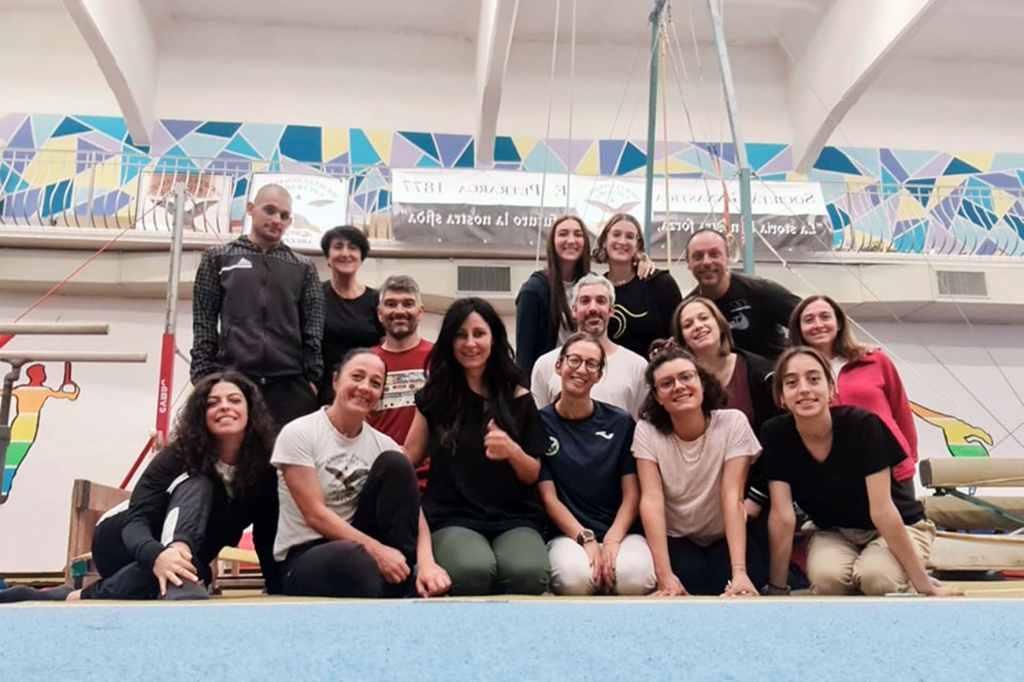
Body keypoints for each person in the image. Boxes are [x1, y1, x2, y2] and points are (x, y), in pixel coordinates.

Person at [1, 372, 280, 603]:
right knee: (199, 483)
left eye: (235, 400)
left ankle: (70, 596)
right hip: (123, 538)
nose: (225, 407)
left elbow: (266, 532)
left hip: (186, 557)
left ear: (250, 411)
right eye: (212, 403)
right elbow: (137, 520)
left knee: (195, 572)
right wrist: (157, 555)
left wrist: (276, 585)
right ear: (200, 414)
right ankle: (174, 557)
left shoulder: (264, 471)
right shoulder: (178, 457)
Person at [760, 347, 963, 597]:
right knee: (828, 583)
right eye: (791, 383)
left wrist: (925, 587)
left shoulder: (864, 426)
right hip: (834, 532)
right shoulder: (775, 434)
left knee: (876, 579)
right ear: (780, 396)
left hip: (898, 525)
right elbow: (782, 516)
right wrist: (778, 588)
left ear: (831, 389)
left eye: (813, 379)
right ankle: (885, 571)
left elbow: (882, 511)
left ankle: (909, 575)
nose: (803, 389)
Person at [272, 348, 450, 599]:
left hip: (365, 548)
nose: (365, 387)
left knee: (397, 463)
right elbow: (314, 515)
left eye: (375, 383)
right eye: (357, 377)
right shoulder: (299, 433)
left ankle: (405, 574)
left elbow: (415, 514)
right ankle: (400, 588)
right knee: (354, 560)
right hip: (309, 554)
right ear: (336, 381)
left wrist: (427, 563)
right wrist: (378, 552)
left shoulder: (383, 443)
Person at [405, 298, 551, 596]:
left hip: (514, 518)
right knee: (471, 571)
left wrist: (511, 451)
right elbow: (409, 458)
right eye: (461, 335)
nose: (470, 343)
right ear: (449, 341)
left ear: (494, 338)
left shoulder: (519, 395)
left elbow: (532, 473)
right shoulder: (433, 397)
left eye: (479, 334)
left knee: (528, 574)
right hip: (452, 516)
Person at [633, 341, 764, 597]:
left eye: (686, 377)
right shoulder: (647, 431)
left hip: (724, 536)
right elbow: (651, 501)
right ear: (657, 397)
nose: (679, 386)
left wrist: (739, 572)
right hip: (677, 539)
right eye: (666, 383)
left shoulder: (733, 423)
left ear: (702, 382)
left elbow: (732, 497)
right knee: (687, 581)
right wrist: (664, 576)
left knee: (740, 579)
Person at [190, 183, 324, 428]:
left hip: (290, 385)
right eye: (270, 210)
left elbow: (313, 329)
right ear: (251, 209)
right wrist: (203, 376)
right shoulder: (217, 258)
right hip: (235, 381)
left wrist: (313, 378)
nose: (277, 220)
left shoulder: (303, 267)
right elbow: (203, 323)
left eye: (284, 215)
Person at [537, 332, 656, 596]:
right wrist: (585, 538)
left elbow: (632, 494)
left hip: (621, 532)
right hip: (567, 535)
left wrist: (613, 539)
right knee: (576, 580)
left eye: (591, 364)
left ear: (599, 375)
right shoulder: (539, 424)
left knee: (634, 578)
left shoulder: (620, 422)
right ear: (559, 366)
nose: (581, 369)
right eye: (574, 360)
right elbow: (548, 498)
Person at [787, 295, 919, 485]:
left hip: (892, 470)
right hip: (838, 476)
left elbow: (901, 411)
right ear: (798, 328)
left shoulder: (875, 360)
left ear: (839, 323)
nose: (818, 325)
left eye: (825, 317)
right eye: (809, 320)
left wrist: (908, 458)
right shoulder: (792, 374)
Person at [515, 215, 655, 380]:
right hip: (553, 379)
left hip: (593, 375)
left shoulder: (593, 282)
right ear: (552, 241)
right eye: (563, 234)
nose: (571, 240)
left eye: (578, 234)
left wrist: (640, 261)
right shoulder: (533, 291)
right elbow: (524, 354)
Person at [531, 273, 647, 419]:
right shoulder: (545, 365)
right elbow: (537, 425)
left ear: (611, 310)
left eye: (600, 301)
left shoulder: (637, 367)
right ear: (574, 310)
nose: (593, 308)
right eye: (585, 301)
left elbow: (641, 425)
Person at [684, 228, 799, 361]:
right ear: (688, 263)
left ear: (727, 258)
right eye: (698, 256)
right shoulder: (688, 310)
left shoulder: (761, 292)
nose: (706, 262)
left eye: (714, 254)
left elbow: (806, 320)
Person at [367, 275, 434, 493]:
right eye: (391, 304)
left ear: (420, 312)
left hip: (432, 483)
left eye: (407, 304)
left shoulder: (439, 358)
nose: (399, 311)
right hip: (377, 479)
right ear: (380, 314)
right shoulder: (364, 363)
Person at [594, 214, 682, 358]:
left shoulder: (660, 284)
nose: (622, 241)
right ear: (604, 241)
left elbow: (679, 335)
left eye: (629, 236)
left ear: (638, 245)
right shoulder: (598, 289)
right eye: (616, 234)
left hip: (654, 369)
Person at [318, 225, 385, 406]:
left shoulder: (377, 300)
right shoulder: (315, 295)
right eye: (338, 247)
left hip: (366, 391)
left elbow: (386, 346)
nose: (345, 253)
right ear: (328, 257)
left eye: (353, 247)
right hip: (323, 390)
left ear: (361, 258)